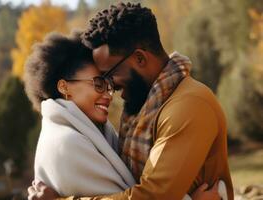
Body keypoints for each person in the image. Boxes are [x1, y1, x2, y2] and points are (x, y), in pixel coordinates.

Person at [24, 31, 220, 200]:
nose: (109, 94)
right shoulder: (66, 143)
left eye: (109, 86)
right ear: (64, 86)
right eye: (99, 84)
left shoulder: (87, 134)